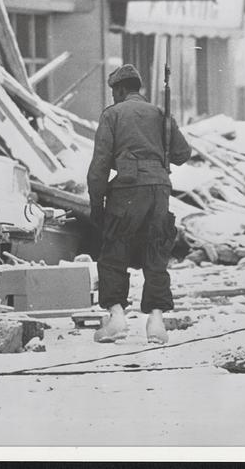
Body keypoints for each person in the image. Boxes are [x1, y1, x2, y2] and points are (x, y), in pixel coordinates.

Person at [87, 64, 191, 344]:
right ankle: (156, 323)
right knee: (156, 250)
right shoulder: (159, 113)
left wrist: (96, 203)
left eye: (114, 92)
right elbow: (183, 154)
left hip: (128, 189)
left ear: (120, 90)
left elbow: (99, 165)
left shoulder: (113, 114)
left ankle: (117, 317)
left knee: (113, 250)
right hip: (160, 189)